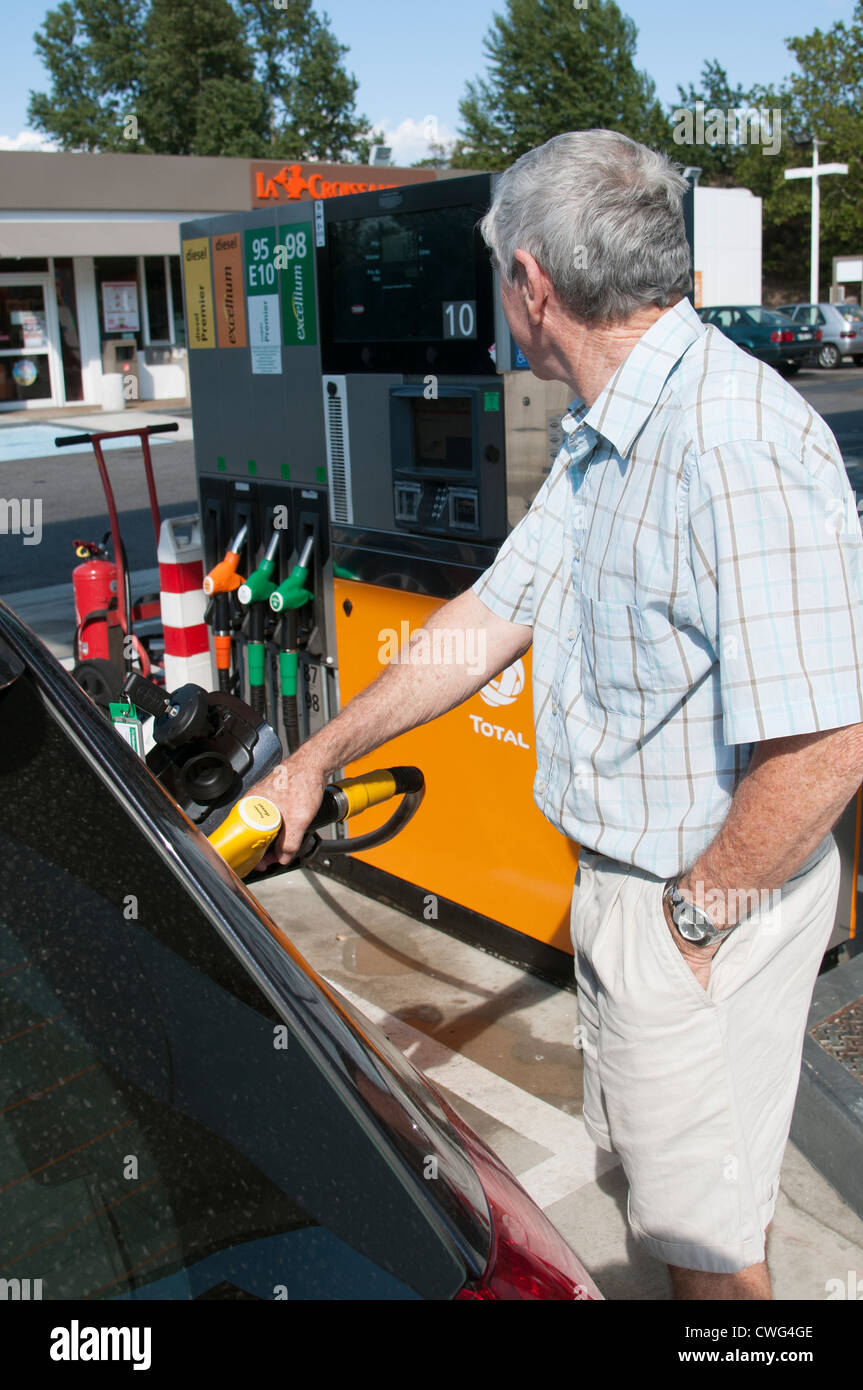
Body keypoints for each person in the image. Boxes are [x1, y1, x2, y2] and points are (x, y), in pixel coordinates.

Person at [251, 129, 863, 1300]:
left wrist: (687, 926)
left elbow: (828, 745)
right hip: (632, 899)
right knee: (679, 1208)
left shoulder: (732, 440)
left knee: (709, 1255)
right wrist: (319, 753)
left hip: (702, 908)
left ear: (530, 284)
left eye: (497, 277)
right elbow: (486, 618)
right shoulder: (601, 438)